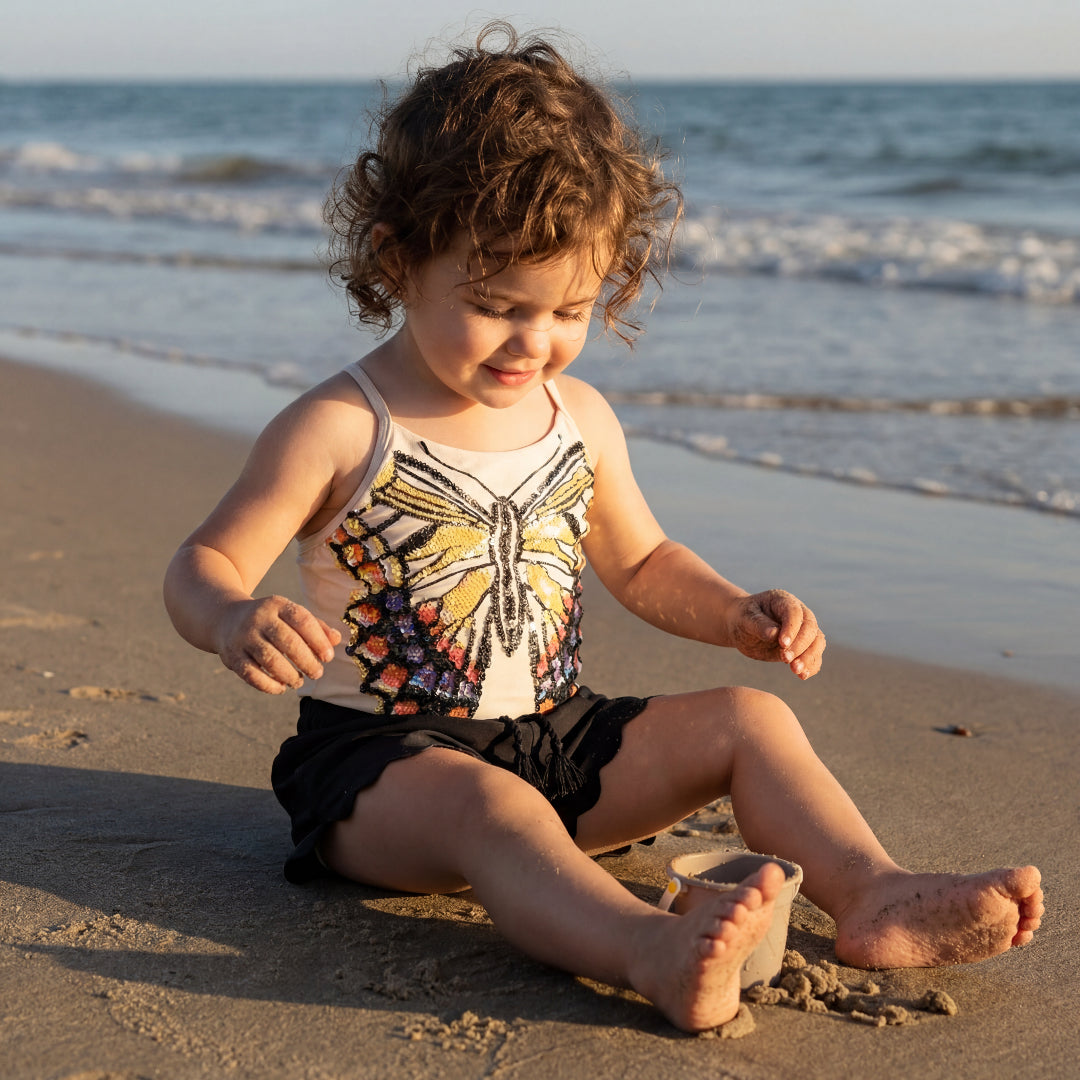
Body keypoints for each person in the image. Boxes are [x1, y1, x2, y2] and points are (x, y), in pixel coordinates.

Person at [164, 23, 1042, 1033]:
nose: (534, 343)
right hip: (383, 767)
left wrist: (734, 614)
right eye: (497, 305)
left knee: (752, 722)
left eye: (570, 310)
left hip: (558, 737)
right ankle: (649, 949)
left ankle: (873, 892)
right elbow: (202, 562)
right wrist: (233, 616)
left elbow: (643, 560)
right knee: (494, 813)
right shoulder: (341, 426)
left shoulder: (577, 418)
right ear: (397, 260)